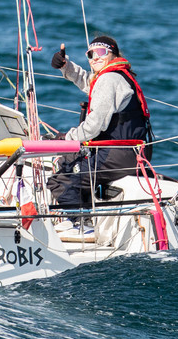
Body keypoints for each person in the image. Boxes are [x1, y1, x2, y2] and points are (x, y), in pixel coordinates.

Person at [44, 35, 151, 243]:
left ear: (113, 54)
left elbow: (94, 126)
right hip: (132, 153)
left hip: (117, 155)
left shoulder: (109, 79)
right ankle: (79, 217)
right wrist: (66, 66)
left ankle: (83, 224)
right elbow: (90, 83)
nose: (95, 58)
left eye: (101, 52)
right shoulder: (117, 75)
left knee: (60, 179)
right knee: (71, 162)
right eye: (90, 54)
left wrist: (67, 139)